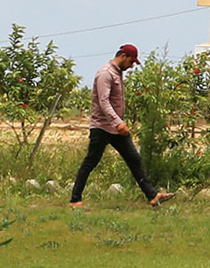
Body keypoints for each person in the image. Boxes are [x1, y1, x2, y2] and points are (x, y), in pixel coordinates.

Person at [70, 44, 166, 208]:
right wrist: (118, 123)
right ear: (123, 56)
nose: (132, 65)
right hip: (101, 127)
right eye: (131, 61)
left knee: (134, 159)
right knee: (91, 162)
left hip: (115, 128)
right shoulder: (105, 74)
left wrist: (118, 124)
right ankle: (75, 200)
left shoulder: (117, 74)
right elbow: (103, 101)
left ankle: (153, 195)